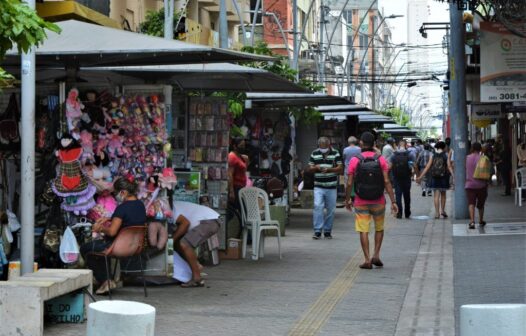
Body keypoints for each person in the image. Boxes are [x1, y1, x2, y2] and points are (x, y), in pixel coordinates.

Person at [81, 177, 146, 295]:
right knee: (98, 248)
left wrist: (100, 228)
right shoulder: (140, 205)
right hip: (134, 247)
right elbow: (130, 219)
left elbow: (112, 232)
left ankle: (106, 281)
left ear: (123, 192)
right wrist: (110, 218)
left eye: (116, 193)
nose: (115, 195)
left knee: (86, 248)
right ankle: (106, 280)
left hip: (117, 247)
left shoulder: (121, 208)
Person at [346, 132, 398, 269]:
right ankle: (376, 255)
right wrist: (393, 201)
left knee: (363, 230)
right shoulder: (380, 159)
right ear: (374, 144)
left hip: (360, 200)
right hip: (378, 200)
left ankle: (367, 259)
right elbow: (387, 181)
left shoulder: (354, 160)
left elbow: (349, 183)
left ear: (361, 143)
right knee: (379, 228)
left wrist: (347, 199)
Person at [172, 200, 220, 287]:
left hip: (208, 221)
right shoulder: (172, 205)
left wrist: (172, 240)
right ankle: (197, 266)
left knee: (184, 244)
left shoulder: (171, 207)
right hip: (210, 220)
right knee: (178, 245)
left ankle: (197, 278)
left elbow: (185, 224)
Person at [308, 137, 343, 239]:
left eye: (325, 147)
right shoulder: (314, 153)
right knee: (317, 206)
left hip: (331, 186)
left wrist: (329, 170)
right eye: (321, 147)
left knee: (331, 209)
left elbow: (340, 168)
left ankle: (327, 230)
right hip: (318, 186)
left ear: (329, 145)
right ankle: (317, 230)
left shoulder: (335, 153)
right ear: (318, 145)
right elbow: (310, 169)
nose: (323, 148)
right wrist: (316, 168)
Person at [417, 141, 454, 219]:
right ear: (443, 147)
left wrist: (420, 176)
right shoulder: (445, 155)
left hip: (434, 177)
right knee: (443, 195)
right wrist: (453, 175)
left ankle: (437, 213)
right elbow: (449, 166)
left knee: (436, 196)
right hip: (444, 177)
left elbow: (427, 167)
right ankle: (443, 211)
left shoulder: (433, 155)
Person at [465, 142, 490, 229]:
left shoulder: (467, 158)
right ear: (480, 149)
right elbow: (487, 171)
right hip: (481, 185)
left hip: (469, 184)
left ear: (472, 148)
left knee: (471, 203)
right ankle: (480, 220)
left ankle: (472, 222)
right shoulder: (483, 158)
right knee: (481, 204)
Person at [390, 140, 416, 219]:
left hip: (396, 178)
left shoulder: (393, 155)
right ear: (405, 145)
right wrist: (415, 175)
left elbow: (390, 166)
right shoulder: (410, 154)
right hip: (407, 177)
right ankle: (407, 213)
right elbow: (414, 166)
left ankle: (399, 213)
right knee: (407, 195)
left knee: (398, 195)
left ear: (398, 145)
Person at [228, 138, 248, 213]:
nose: (243, 147)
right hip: (236, 187)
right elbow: (230, 174)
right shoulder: (232, 156)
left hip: (241, 187)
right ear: (235, 146)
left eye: (244, 145)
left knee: (235, 211)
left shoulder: (240, 157)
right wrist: (231, 191)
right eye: (241, 145)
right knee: (243, 211)